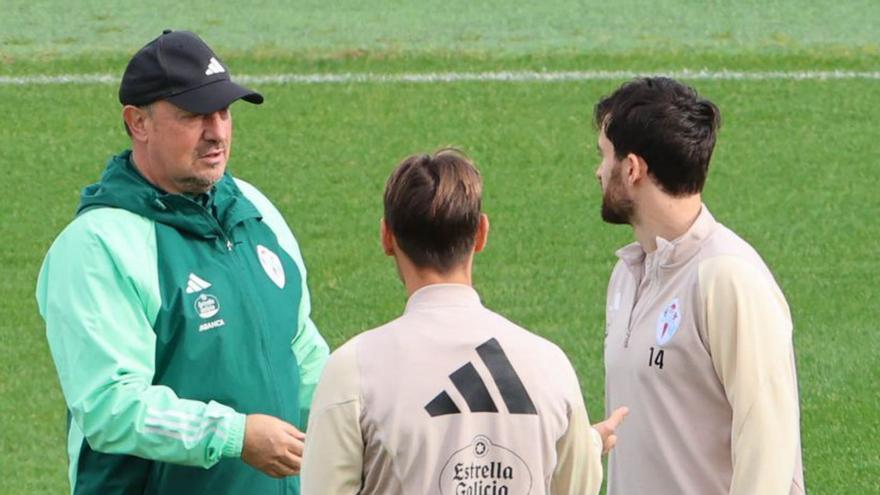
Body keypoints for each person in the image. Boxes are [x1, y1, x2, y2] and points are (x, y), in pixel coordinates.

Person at [35, 30, 329, 494]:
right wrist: (235, 436)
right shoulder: (98, 246)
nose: (216, 132)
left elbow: (301, 350)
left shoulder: (254, 209)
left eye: (224, 112)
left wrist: (357, 416)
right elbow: (112, 407)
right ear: (138, 123)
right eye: (193, 115)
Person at [301, 148, 626, 495]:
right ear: (482, 233)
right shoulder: (550, 366)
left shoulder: (352, 371)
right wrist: (588, 445)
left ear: (386, 238)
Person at [593, 77, 805, 494]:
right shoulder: (627, 274)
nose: (598, 171)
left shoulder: (727, 277)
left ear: (632, 168)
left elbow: (768, 448)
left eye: (604, 156)